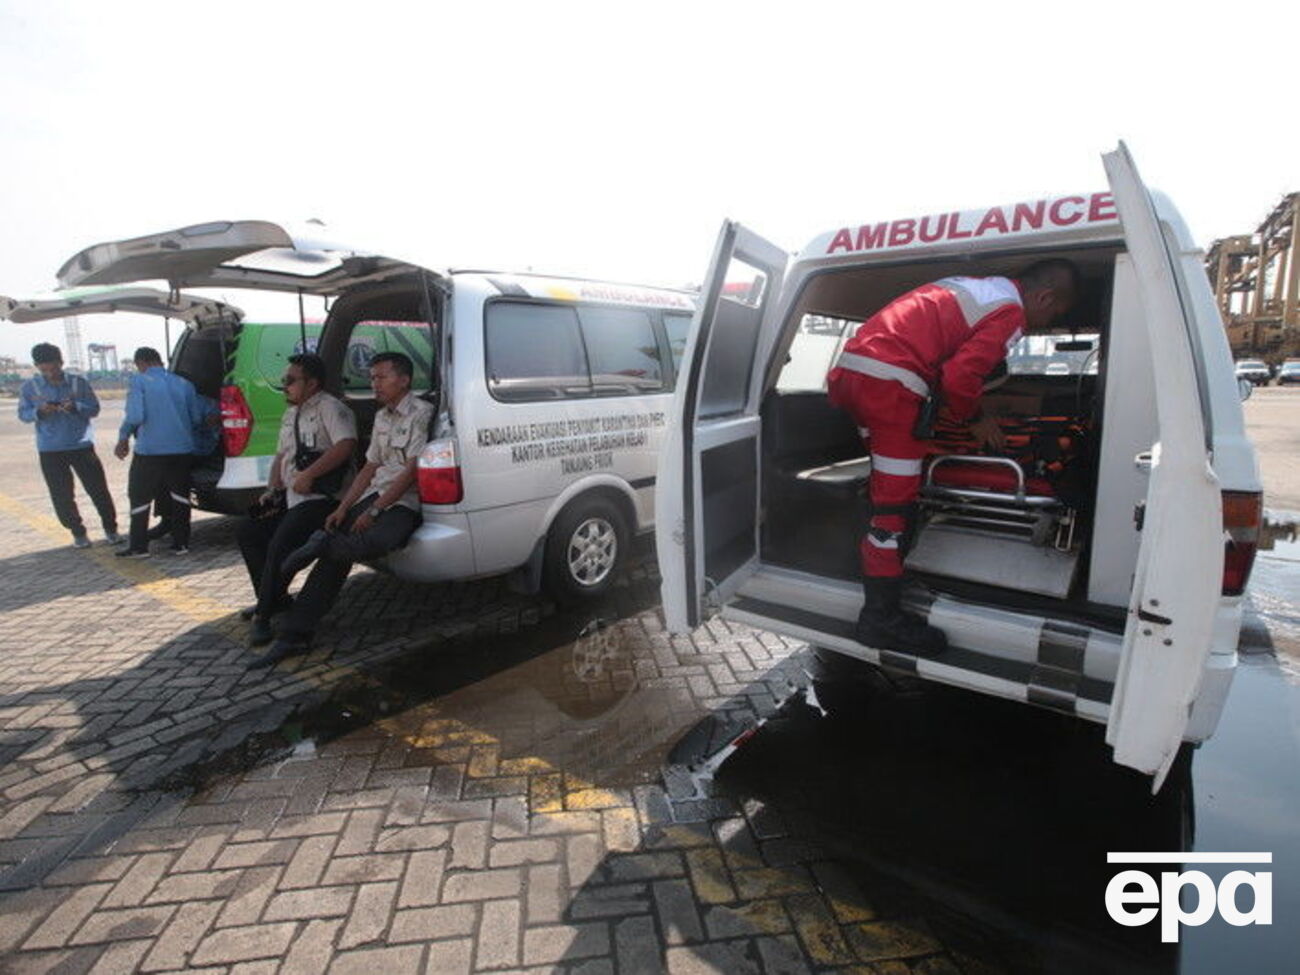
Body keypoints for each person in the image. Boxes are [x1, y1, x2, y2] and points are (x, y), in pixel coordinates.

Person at [826, 260, 1079, 655]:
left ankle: (883, 566)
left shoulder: (974, 288)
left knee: (883, 484)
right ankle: (879, 618)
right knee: (893, 508)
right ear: (1044, 296)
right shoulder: (1009, 310)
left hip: (852, 376)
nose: (1044, 321)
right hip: (889, 387)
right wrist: (976, 420)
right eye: (1054, 313)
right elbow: (960, 377)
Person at [248, 351, 432, 669]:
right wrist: (345, 507)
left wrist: (374, 510)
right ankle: (293, 635)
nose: (374, 384)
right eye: (372, 378)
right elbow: (368, 467)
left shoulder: (421, 412)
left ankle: (321, 546)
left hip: (402, 501)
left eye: (382, 377)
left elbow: (411, 472)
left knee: (376, 542)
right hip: (369, 494)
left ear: (404, 380)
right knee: (334, 553)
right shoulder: (381, 417)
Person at [236, 353, 357, 646]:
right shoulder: (292, 413)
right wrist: (270, 489)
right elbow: (281, 455)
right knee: (247, 529)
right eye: (284, 380)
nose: (285, 386)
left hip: (320, 498)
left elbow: (346, 445)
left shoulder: (331, 408)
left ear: (312, 383)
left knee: (280, 542)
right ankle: (274, 598)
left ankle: (263, 617)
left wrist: (310, 474)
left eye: (290, 381)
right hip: (289, 496)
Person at [17, 343, 122, 548]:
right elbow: (23, 414)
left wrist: (76, 407)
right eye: (44, 369)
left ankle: (111, 529)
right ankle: (78, 532)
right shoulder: (29, 388)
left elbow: (94, 408)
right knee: (61, 495)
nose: (50, 373)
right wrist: (39, 412)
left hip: (81, 446)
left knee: (98, 490)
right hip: (50, 449)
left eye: (54, 368)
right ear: (37, 366)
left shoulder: (78, 383)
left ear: (61, 363)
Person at [114, 347, 206, 557]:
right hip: (182, 450)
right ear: (160, 361)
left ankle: (138, 547)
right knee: (180, 496)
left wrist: (123, 438)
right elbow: (196, 418)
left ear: (141, 363)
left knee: (139, 496)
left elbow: (135, 416)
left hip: (150, 451)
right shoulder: (184, 384)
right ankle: (181, 544)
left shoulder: (140, 381)